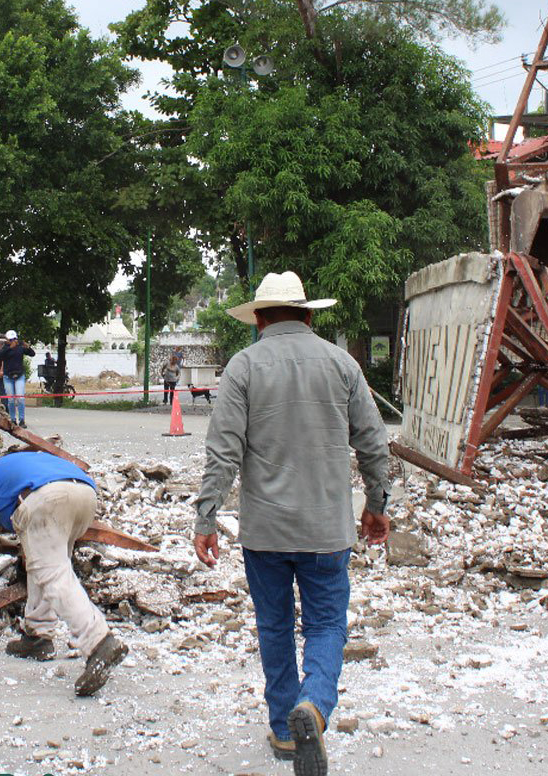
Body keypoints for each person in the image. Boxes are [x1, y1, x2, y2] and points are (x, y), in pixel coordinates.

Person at [193, 271, 391, 776]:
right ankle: (316, 707)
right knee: (326, 624)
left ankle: (284, 728)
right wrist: (377, 503)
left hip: (266, 534)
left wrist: (206, 516)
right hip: (327, 530)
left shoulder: (242, 368)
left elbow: (223, 452)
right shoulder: (341, 363)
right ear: (308, 314)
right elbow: (373, 441)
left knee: (275, 626)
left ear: (259, 319)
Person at [0, 451, 127, 697]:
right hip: (85, 493)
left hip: (46, 498)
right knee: (46, 563)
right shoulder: (13, 466)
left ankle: (99, 641)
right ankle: (38, 636)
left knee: (53, 573)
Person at [0, 331, 35, 427]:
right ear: (7, 340)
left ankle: (22, 420)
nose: (13, 341)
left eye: (14, 339)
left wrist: (28, 347)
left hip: (19, 375)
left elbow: (32, 354)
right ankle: (12, 419)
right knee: (10, 399)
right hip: (8, 376)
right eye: (10, 340)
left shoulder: (20, 347)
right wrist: (9, 348)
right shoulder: (5, 348)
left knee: (20, 398)